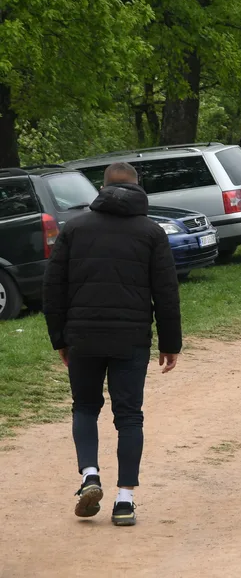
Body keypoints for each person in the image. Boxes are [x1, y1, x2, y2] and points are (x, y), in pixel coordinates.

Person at [42, 162, 181, 527]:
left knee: (85, 407)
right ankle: (125, 500)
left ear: (100, 189)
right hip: (131, 339)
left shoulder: (74, 229)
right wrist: (170, 342)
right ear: (138, 188)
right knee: (129, 416)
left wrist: (60, 337)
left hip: (82, 336)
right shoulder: (151, 232)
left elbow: (52, 289)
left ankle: (89, 475)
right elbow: (166, 293)